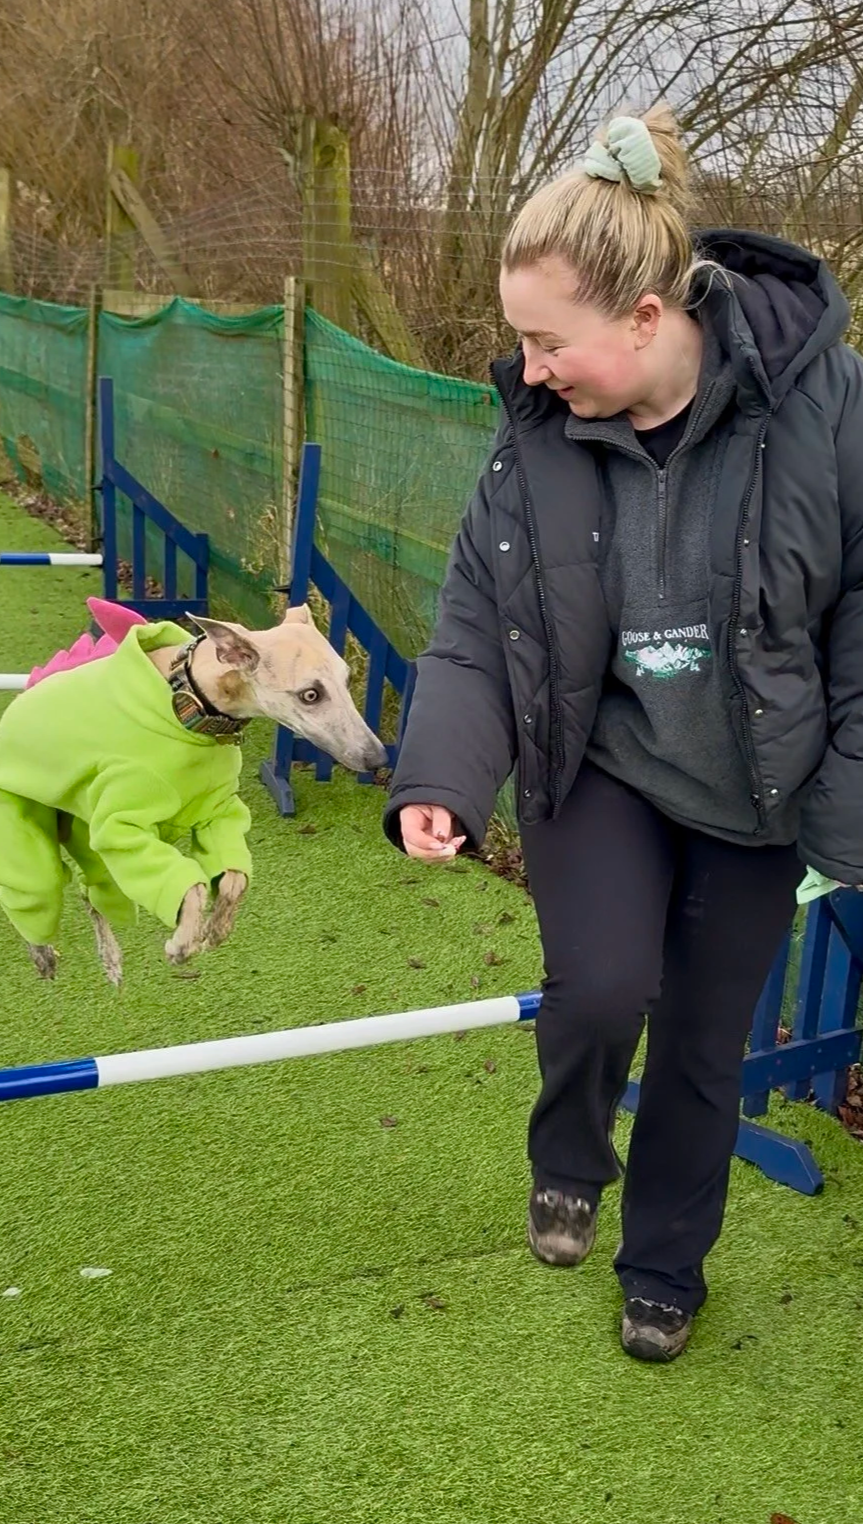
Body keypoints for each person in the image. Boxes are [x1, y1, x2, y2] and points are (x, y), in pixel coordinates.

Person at [382, 103, 863, 1363]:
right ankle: (566, 1158)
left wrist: (845, 810)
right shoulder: (532, 441)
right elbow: (477, 623)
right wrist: (441, 775)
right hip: (600, 769)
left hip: (756, 793)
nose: (528, 369)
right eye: (519, 341)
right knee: (601, 988)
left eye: (549, 342)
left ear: (646, 319)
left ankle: (663, 1269)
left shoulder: (823, 411)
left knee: (705, 1050)